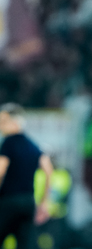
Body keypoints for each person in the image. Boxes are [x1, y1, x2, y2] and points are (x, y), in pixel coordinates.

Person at [0, 103, 53, 249]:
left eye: (3, 121)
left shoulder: (8, 143)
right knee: (25, 244)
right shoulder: (33, 146)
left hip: (8, 200)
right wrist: (44, 202)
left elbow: (1, 169)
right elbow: (49, 170)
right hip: (28, 202)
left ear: (15, 121)